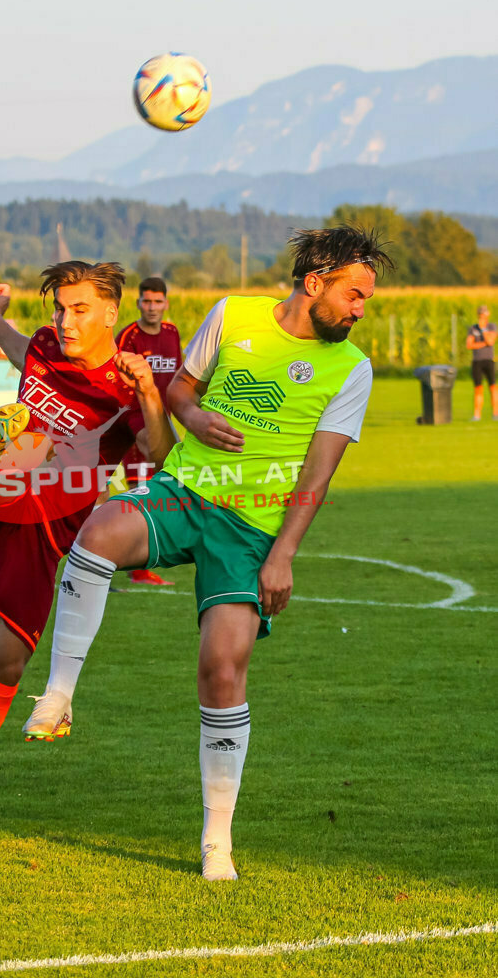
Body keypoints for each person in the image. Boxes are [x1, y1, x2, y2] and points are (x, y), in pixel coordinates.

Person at [22, 226, 395, 881]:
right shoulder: (233, 313)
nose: (361, 308)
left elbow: (317, 474)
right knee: (100, 532)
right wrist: (191, 420)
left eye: (366, 299)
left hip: (251, 530)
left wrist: (282, 555)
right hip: (185, 488)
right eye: (355, 294)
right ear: (315, 283)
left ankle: (215, 841)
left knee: (221, 670)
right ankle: (57, 695)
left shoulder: (352, 368)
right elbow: (180, 393)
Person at [0, 261, 174, 865]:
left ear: (109, 314)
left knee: (3, 666)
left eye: (78, 310)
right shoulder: (45, 346)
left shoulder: (127, 386)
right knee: (18, 421)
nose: (64, 320)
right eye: (58, 308)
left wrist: (150, 393)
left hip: (39, 536)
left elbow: (159, 451)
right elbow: (16, 345)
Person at [116, 277, 182, 585]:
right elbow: (116, 381)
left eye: (158, 302)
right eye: (147, 301)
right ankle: (135, 566)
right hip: (135, 421)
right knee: (141, 491)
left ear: (166, 303)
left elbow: (178, 374)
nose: (152, 307)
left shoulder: (172, 333)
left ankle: (141, 557)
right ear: (139, 303)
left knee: (164, 485)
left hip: (163, 420)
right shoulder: (128, 336)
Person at [466, 304, 497, 420]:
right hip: (477, 361)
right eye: (480, 315)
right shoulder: (473, 328)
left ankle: (495, 413)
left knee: (493, 387)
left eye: (484, 314)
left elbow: (490, 341)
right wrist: (483, 344)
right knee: (478, 389)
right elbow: (469, 345)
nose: (482, 317)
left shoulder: (492, 327)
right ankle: (477, 415)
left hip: (489, 361)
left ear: (487, 315)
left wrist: (483, 330)